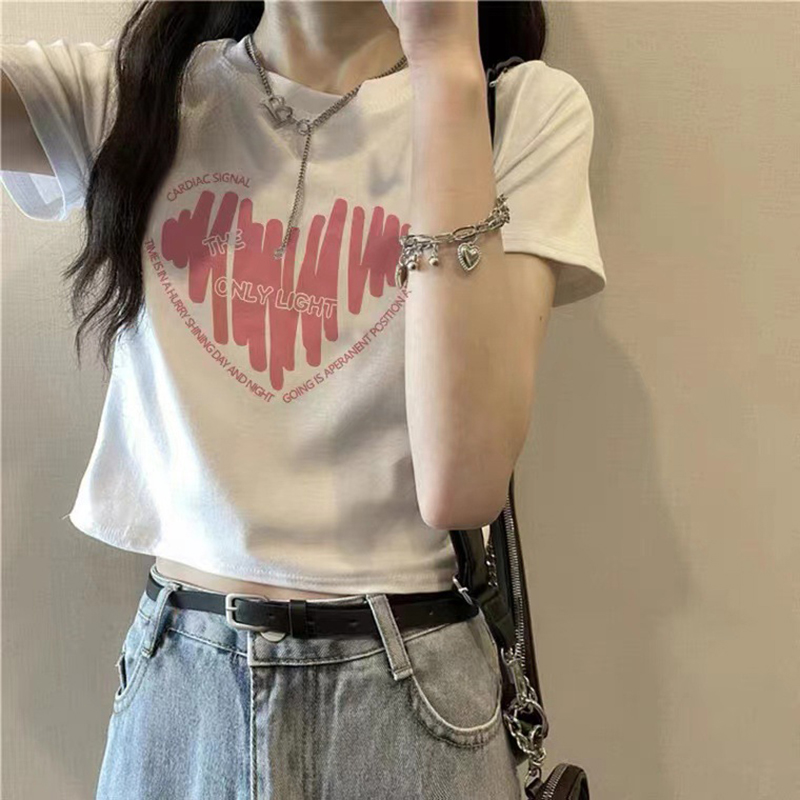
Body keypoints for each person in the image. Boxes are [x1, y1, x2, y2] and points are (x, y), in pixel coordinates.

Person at [0, 1, 605, 797]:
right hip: (181, 696)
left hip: (414, 701)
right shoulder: (139, 96)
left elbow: (463, 485)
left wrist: (444, 60)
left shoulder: (512, 108)